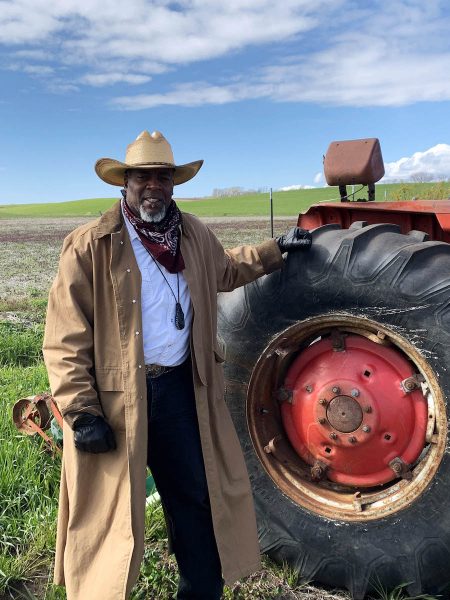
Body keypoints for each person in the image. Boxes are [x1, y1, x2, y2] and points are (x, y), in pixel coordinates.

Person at [43, 130, 312, 600]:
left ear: (173, 184)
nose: (153, 186)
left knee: (194, 495)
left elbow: (226, 270)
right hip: (115, 402)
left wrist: (275, 251)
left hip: (181, 392)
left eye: (162, 177)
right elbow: (65, 337)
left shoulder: (192, 234)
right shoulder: (90, 245)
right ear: (124, 183)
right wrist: (81, 411)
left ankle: (199, 589)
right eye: (142, 177)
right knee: (109, 511)